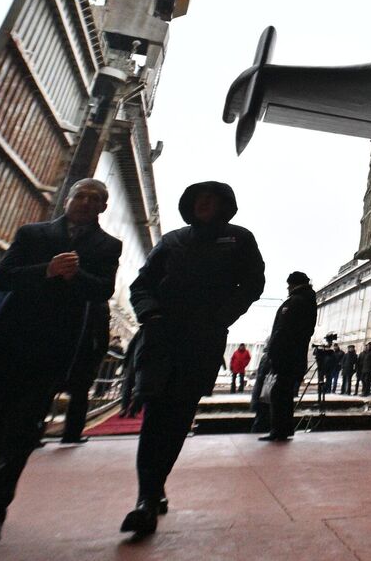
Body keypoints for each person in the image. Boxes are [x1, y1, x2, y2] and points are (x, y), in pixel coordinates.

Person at [0, 178, 121, 550]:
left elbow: (103, 289)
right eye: (81, 195)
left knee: (24, 431)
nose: (87, 202)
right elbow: (4, 277)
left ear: (103, 207)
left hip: (54, 351)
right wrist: (47, 270)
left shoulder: (108, 246)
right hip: (10, 343)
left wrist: (77, 276)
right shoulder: (32, 233)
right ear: (69, 199)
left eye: (95, 199)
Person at [122, 181, 264, 537]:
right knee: (155, 415)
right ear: (190, 204)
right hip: (160, 337)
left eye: (212, 199)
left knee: (178, 416)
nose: (205, 203)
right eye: (199, 198)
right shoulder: (171, 241)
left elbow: (253, 285)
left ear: (223, 205)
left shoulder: (240, 239)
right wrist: (150, 314)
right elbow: (141, 286)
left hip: (201, 341)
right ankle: (147, 499)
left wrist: (222, 316)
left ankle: (154, 487)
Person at [262, 271, 317, 441]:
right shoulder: (308, 301)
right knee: (284, 393)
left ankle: (279, 430)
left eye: (289, 284)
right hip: (295, 355)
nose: (287, 288)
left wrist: (273, 351)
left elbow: (282, 331)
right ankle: (284, 429)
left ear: (293, 284)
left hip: (286, 356)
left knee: (279, 393)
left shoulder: (295, 302)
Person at [59, 296, 111, 445]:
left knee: (47, 392)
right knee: (79, 395)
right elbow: (102, 332)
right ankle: (72, 433)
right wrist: (99, 354)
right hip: (85, 354)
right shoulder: (99, 301)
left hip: (64, 350)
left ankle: (33, 433)